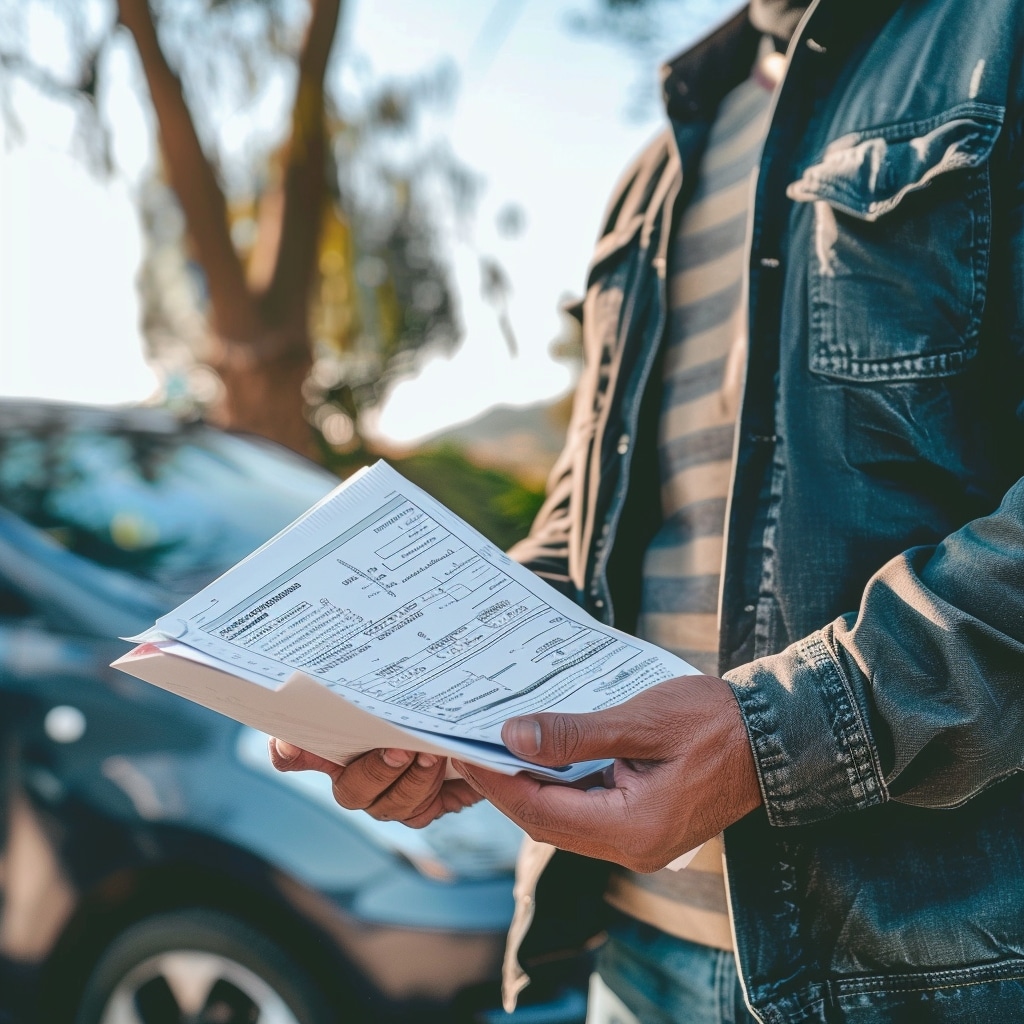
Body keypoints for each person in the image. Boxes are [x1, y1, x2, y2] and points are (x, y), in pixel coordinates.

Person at [271, 0, 1024, 1020]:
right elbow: (581, 523)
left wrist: (772, 737)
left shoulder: (992, 44)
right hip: (632, 951)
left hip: (938, 968)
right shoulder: (654, 169)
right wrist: (432, 701)